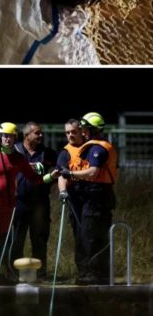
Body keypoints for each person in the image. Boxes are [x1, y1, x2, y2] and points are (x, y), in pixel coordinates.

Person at [0, 122, 56, 284]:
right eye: (4, 136)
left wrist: (50, 177)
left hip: (8, 206)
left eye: (10, 136)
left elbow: (34, 179)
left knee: (3, 241)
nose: (7, 139)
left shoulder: (18, 158)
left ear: (15, 138)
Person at [58, 112, 118, 284]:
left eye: (84, 128)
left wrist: (70, 173)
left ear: (91, 129)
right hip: (92, 196)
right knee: (90, 235)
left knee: (91, 236)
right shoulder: (90, 147)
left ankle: (93, 274)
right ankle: (94, 274)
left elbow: (93, 173)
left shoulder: (97, 148)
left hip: (97, 196)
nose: (81, 131)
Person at [11, 121, 57, 281]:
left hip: (40, 203)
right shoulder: (14, 151)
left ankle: (40, 274)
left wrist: (50, 180)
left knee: (39, 239)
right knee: (17, 239)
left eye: (41, 132)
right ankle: (14, 273)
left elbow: (55, 173)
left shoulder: (49, 153)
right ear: (26, 135)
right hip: (19, 202)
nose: (41, 135)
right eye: (37, 133)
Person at [56, 118, 88, 280]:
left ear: (81, 132)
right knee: (80, 234)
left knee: (93, 234)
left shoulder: (90, 147)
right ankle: (83, 271)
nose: (70, 135)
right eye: (67, 132)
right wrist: (63, 192)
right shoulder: (65, 152)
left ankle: (98, 271)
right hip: (75, 198)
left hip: (91, 196)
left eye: (73, 132)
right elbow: (61, 175)